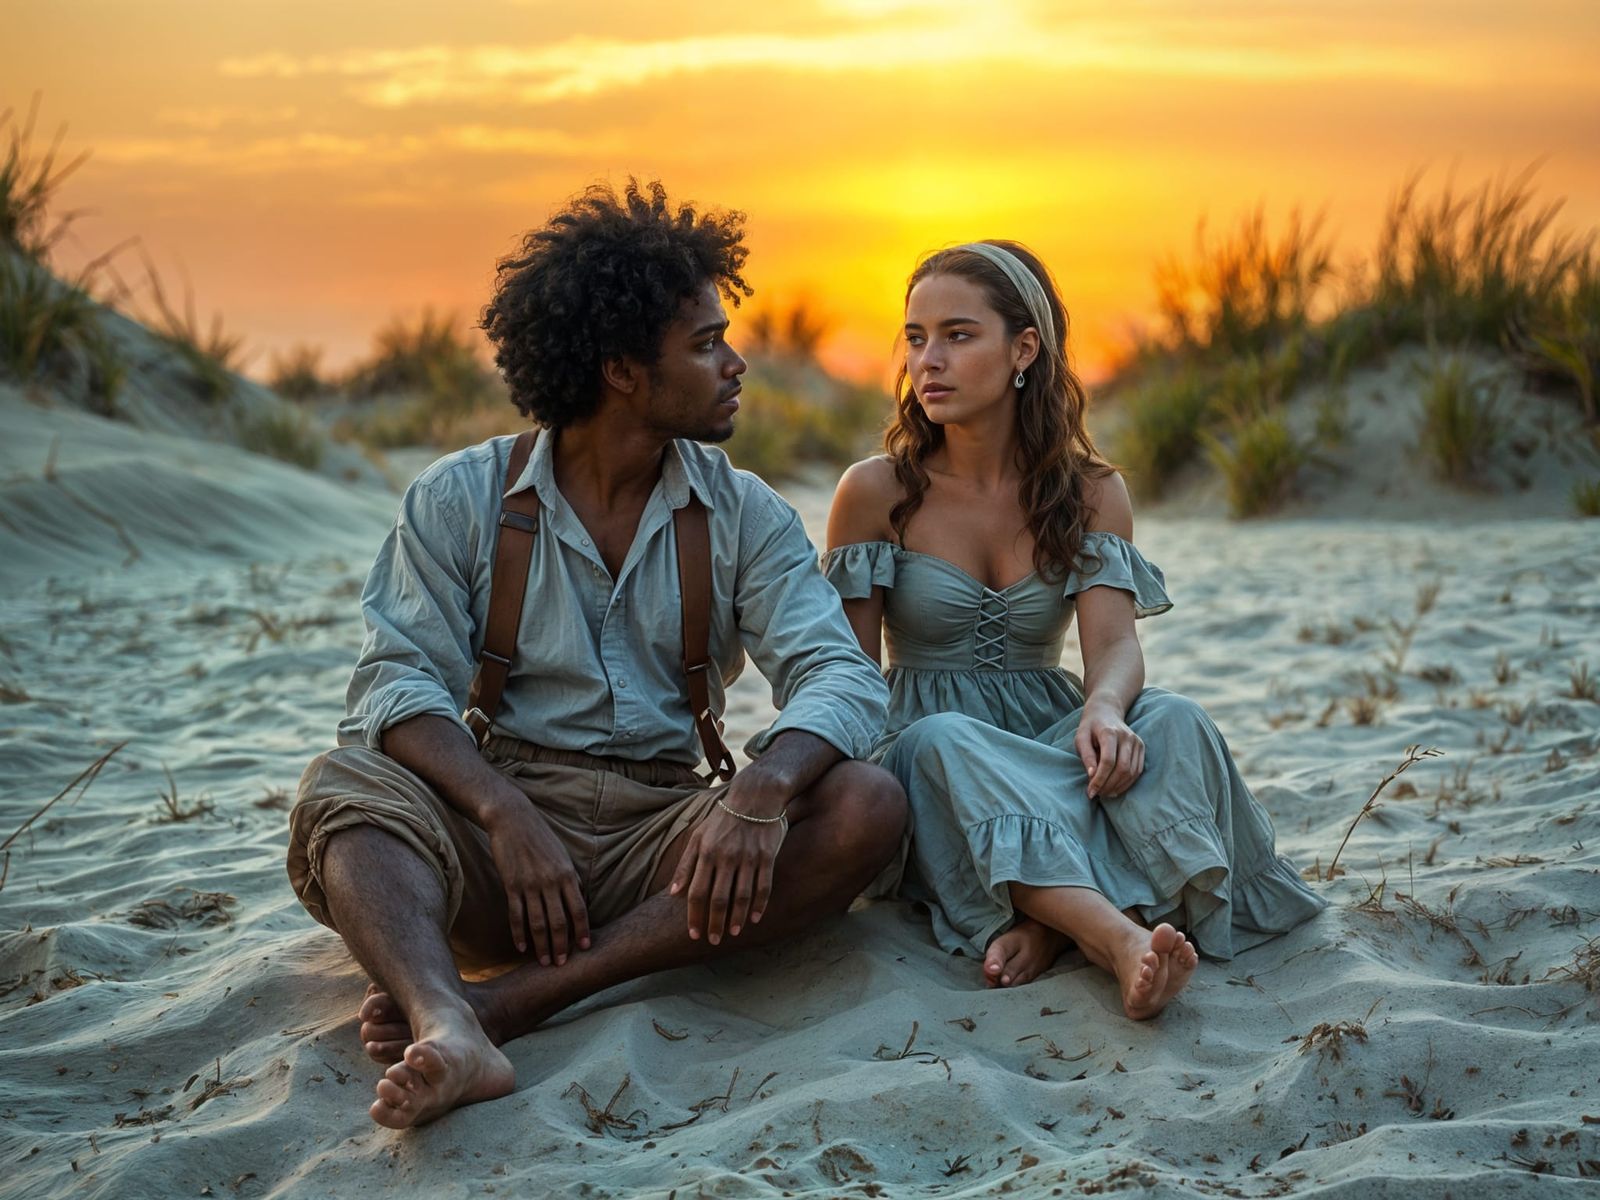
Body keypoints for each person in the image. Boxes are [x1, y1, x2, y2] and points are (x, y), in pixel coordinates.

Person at [286, 180, 905, 1129]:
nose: (735, 364)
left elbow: (841, 674)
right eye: (705, 344)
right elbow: (394, 680)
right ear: (621, 368)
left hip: (668, 842)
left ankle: (510, 1003)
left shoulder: (742, 511)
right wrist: (499, 809)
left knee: (868, 802)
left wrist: (758, 792)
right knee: (342, 789)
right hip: (499, 839)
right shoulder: (461, 498)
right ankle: (445, 1015)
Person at [823, 240, 1325, 1020]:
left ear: (1024, 349)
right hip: (932, 758)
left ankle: (1047, 926)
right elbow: (850, 677)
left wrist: (1103, 709)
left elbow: (1116, 646)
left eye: (959, 335)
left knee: (1176, 720)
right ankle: (1117, 937)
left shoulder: (1091, 491)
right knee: (944, 739)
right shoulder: (876, 491)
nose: (930, 361)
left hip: (1052, 736)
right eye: (916, 338)